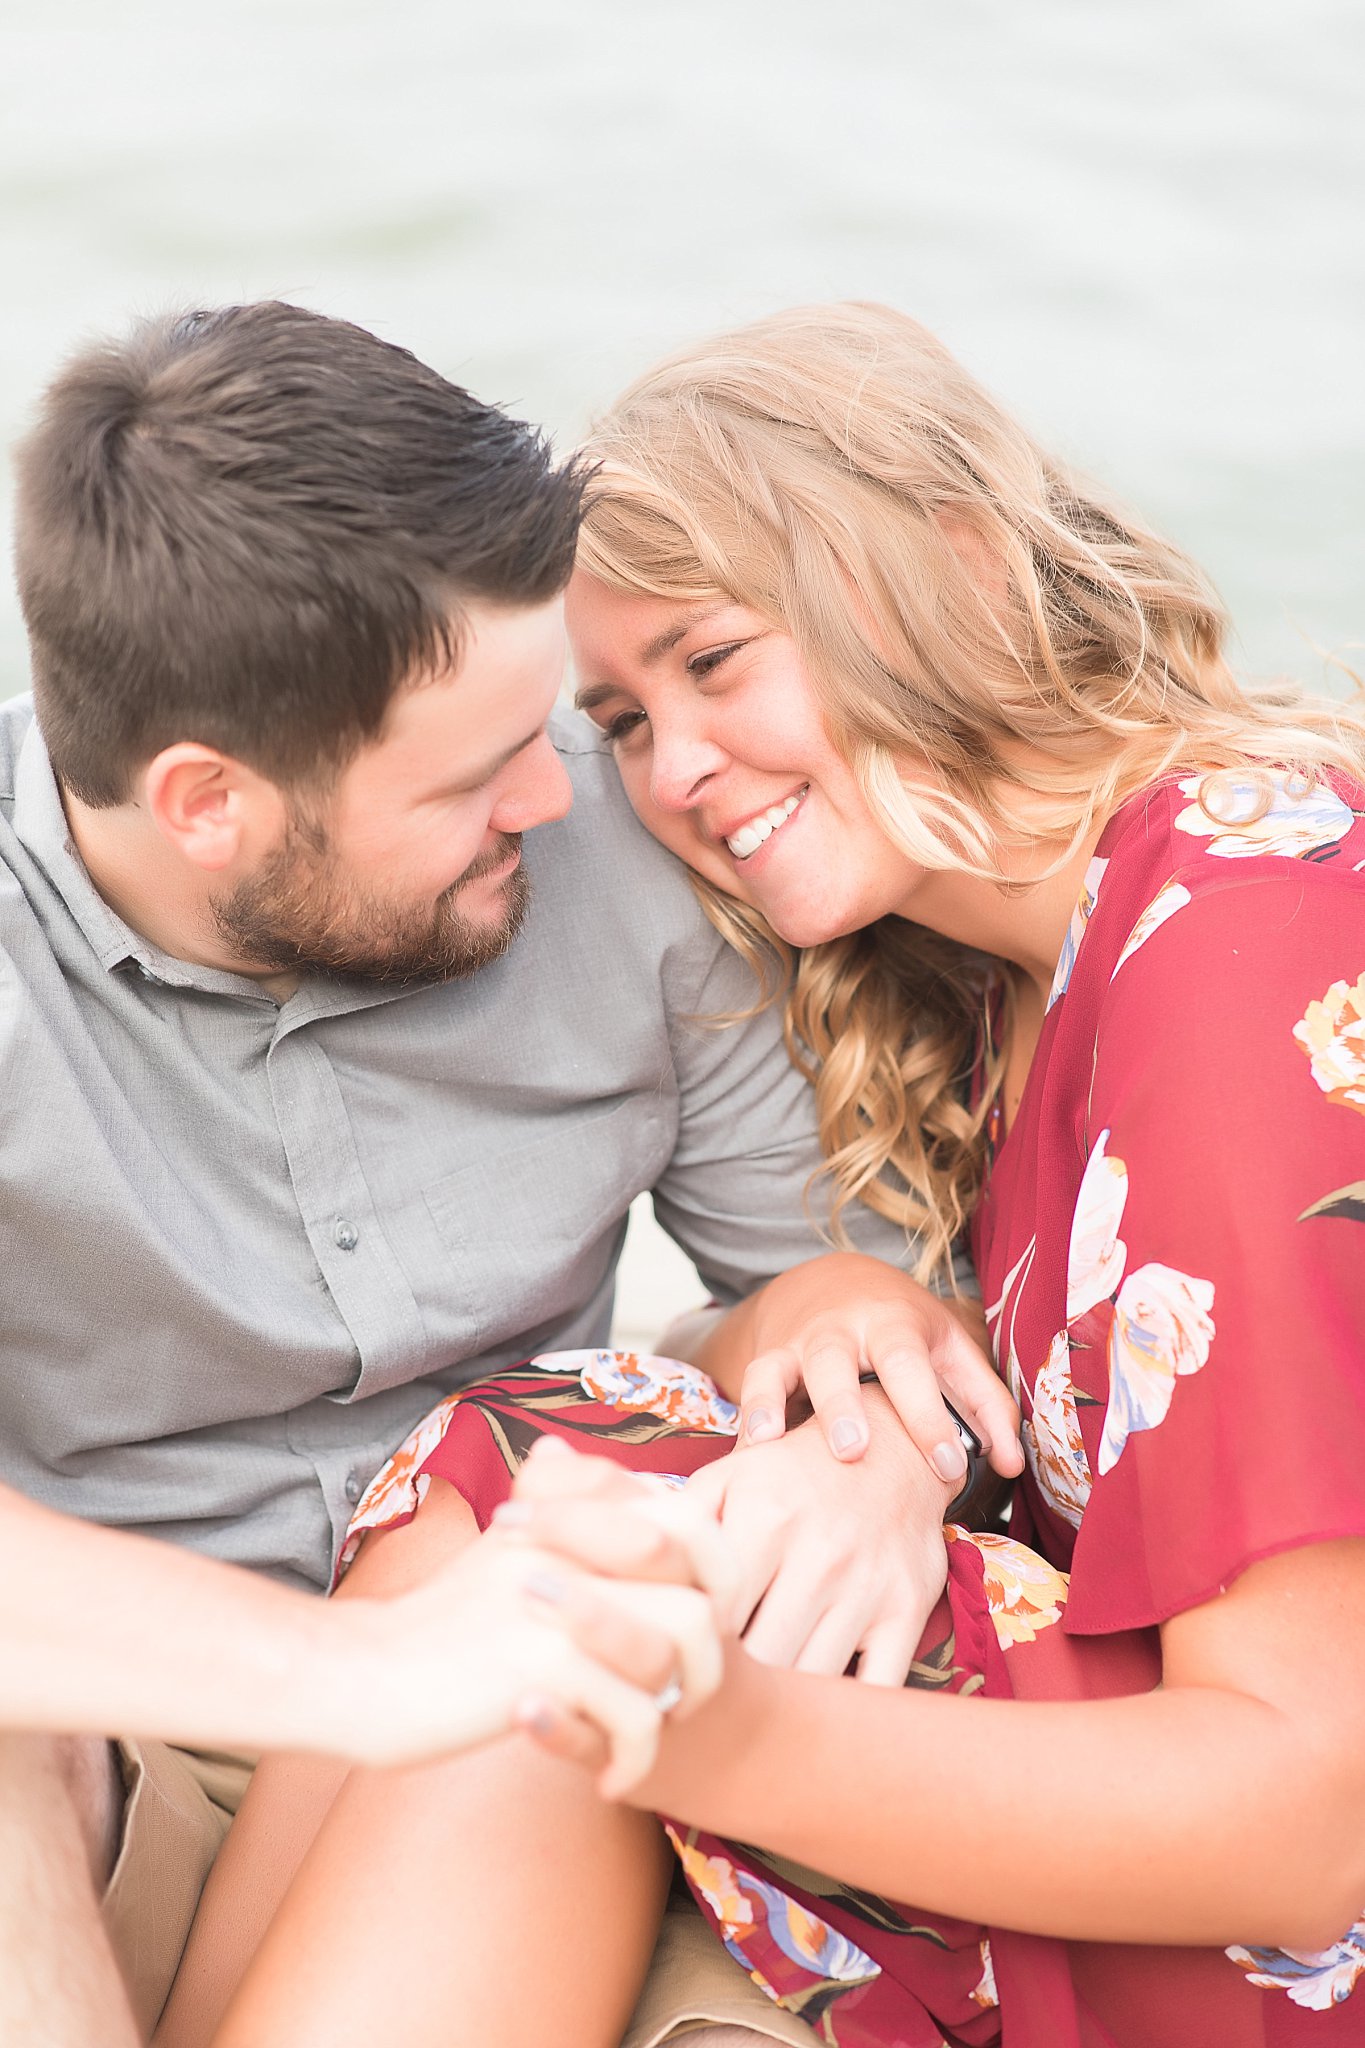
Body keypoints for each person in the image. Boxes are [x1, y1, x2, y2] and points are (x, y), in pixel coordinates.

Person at [0, 300, 1018, 2048]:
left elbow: (838, 1289)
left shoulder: (618, 836)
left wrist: (865, 1396)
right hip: (113, 1747)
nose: (557, 803)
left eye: (550, 730)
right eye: (474, 776)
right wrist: (361, 1677)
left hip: (517, 1716)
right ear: (206, 803)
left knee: (596, 1634)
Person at [528, 301, 1361, 2047]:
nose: (670, 774)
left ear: (954, 568)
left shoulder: (1237, 953)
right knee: (568, 1486)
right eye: (616, 718)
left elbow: (1309, 1830)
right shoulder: (1021, 986)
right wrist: (797, 1333)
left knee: (540, 1537)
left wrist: (702, 1733)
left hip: (1304, 1931)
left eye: (712, 661)